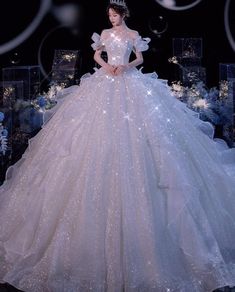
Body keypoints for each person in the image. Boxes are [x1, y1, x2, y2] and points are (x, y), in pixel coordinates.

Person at [0, 0, 235, 291]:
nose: (111, 19)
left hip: (129, 82)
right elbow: (95, 54)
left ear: (123, 14)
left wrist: (125, 66)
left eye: (114, 15)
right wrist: (107, 66)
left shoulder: (133, 35)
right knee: (82, 140)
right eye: (109, 15)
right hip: (104, 82)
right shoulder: (105, 33)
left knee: (146, 138)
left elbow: (139, 59)